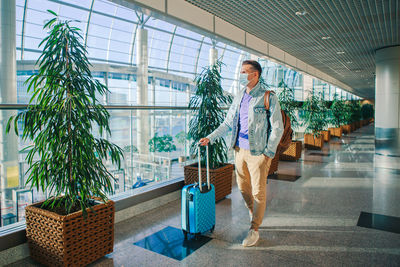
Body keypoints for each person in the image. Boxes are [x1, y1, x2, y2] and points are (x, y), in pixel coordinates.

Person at [199, 60, 284, 247]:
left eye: (245, 71)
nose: (241, 74)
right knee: (244, 188)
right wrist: (210, 137)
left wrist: (268, 153)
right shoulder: (239, 96)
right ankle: (254, 213)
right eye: (241, 71)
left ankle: (254, 229)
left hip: (258, 152)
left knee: (258, 191)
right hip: (239, 150)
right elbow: (228, 123)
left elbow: (278, 127)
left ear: (255, 75)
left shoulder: (268, 96)